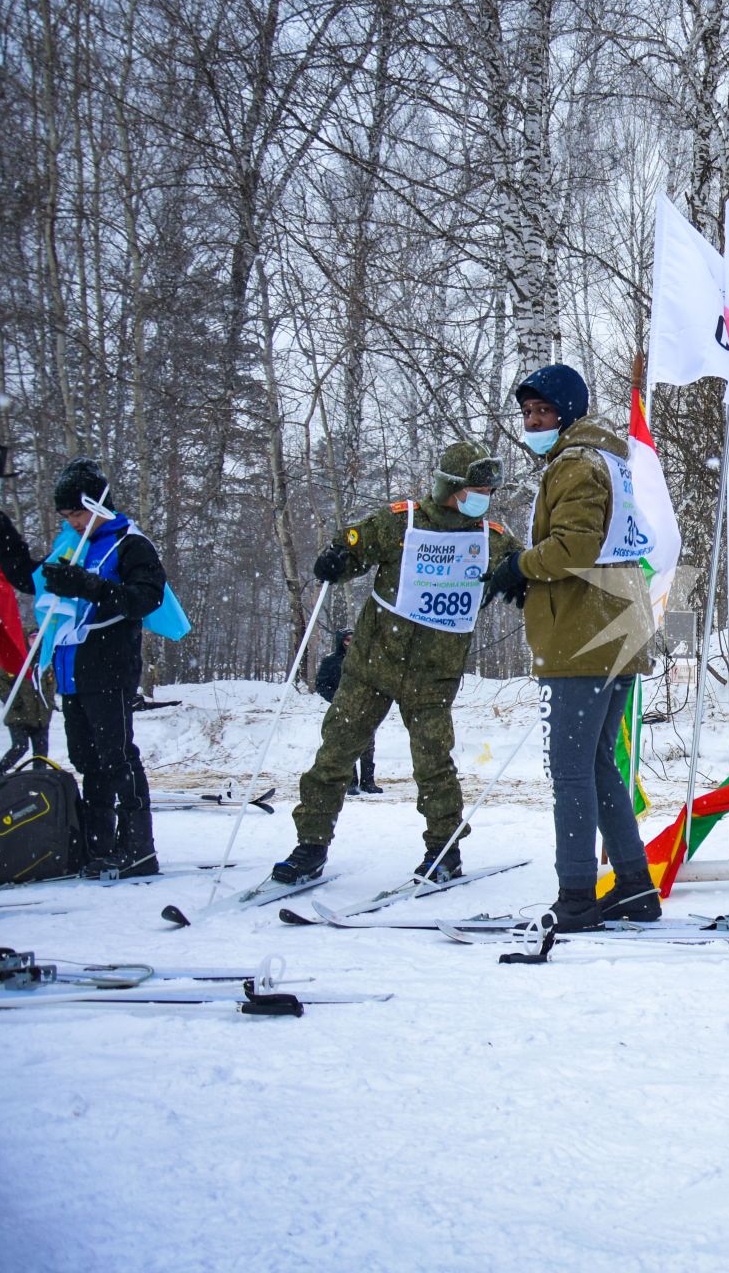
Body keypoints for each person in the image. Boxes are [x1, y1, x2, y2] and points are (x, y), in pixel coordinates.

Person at [272, 441, 520, 886]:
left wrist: (518, 574)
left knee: (434, 766)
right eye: (476, 489)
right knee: (334, 756)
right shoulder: (399, 523)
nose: (484, 498)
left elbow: (526, 569)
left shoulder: (490, 538)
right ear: (452, 486)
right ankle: (310, 845)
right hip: (372, 667)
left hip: (433, 677)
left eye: (488, 490)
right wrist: (336, 559)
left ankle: (443, 851)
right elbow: (351, 551)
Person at [493, 363, 662, 931]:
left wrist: (520, 566)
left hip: (583, 634)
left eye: (542, 411)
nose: (533, 422)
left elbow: (574, 545)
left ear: (567, 412)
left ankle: (576, 897)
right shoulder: (610, 459)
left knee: (569, 771)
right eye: (527, 413)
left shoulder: (575, 464)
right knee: (597, 767)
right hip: (617, 626)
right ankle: (635, 889)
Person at [0, 459, 165, 877]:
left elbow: (146, 597)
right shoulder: (69, 543)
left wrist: (91, 586)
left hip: (109, 666)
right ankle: (98, 841)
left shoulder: (129, 542)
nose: (75, 523)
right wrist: (3, 534)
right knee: (88, 760)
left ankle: (139, 846)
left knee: (117, 756)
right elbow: (33, 580)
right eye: (67, 516)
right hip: (71, 670)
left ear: (97, 503)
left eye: (79, 513)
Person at [313, 628, 381, 794]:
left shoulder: (365, 658)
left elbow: (376, 679)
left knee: (367, 745)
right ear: (341, 641)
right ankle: (350, 782)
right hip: (342, 708)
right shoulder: (331, 661)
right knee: (347, 745)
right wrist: (337, 698)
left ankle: (368, 781)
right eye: (347, 640)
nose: (350, 643)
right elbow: (321, 685)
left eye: (353, 639)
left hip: (365, 707)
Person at [0, 639, 54, 782]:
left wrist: (49, 701)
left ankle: (38, 781)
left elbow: (51, 682)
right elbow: (0, 684)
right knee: (20, 747)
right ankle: (0, 770)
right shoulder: (13, 660)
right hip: (18, 715)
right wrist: (14, 701)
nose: (35, 640)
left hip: (41, 715)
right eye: (32, 637)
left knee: (41, 751)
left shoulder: (44, 660)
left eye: (37, 637)